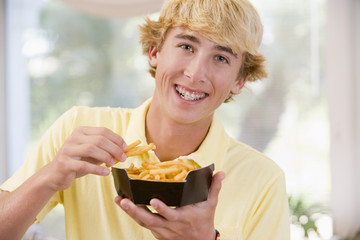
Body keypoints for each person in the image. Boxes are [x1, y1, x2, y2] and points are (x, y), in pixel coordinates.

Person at [0, 0, 290, 239]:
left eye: (221, 58)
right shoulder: (79, 131)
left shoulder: (263, 180)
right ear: (155, 51)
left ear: (239, 80)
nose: (196, 73)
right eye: (187, 46)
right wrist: (49, 177)